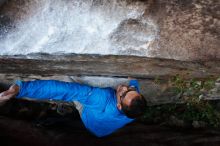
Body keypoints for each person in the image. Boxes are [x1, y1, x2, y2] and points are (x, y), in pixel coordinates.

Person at [0, 78, 147, 137]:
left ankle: (68, 109)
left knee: (74, 88)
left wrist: (21, 89)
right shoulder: (134, 110)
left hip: (90, 119)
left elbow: (64, 89)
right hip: (103, 130)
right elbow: (134, 84)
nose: (124, 88)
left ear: (119, 105)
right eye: (130, 89)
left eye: (123, 93)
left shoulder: (100, 98)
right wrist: (133, 84)